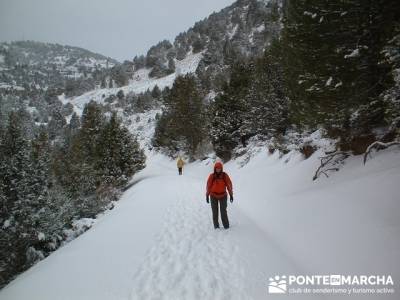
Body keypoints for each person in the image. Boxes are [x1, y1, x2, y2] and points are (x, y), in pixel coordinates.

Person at [206, 161, 233, 229]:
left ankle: (226, 226)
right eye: (217, 168)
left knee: (223, 211)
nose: (218, 169)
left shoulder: (224, 175)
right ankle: (216, 226)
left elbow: (229, 185)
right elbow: (208, 186)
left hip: (223, 195)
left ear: (221, 168)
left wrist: (231, 194)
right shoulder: (212, 176)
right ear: (215, 168)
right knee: (215, 212)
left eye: (219, 168)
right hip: (213, 196)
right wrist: (207, 195)